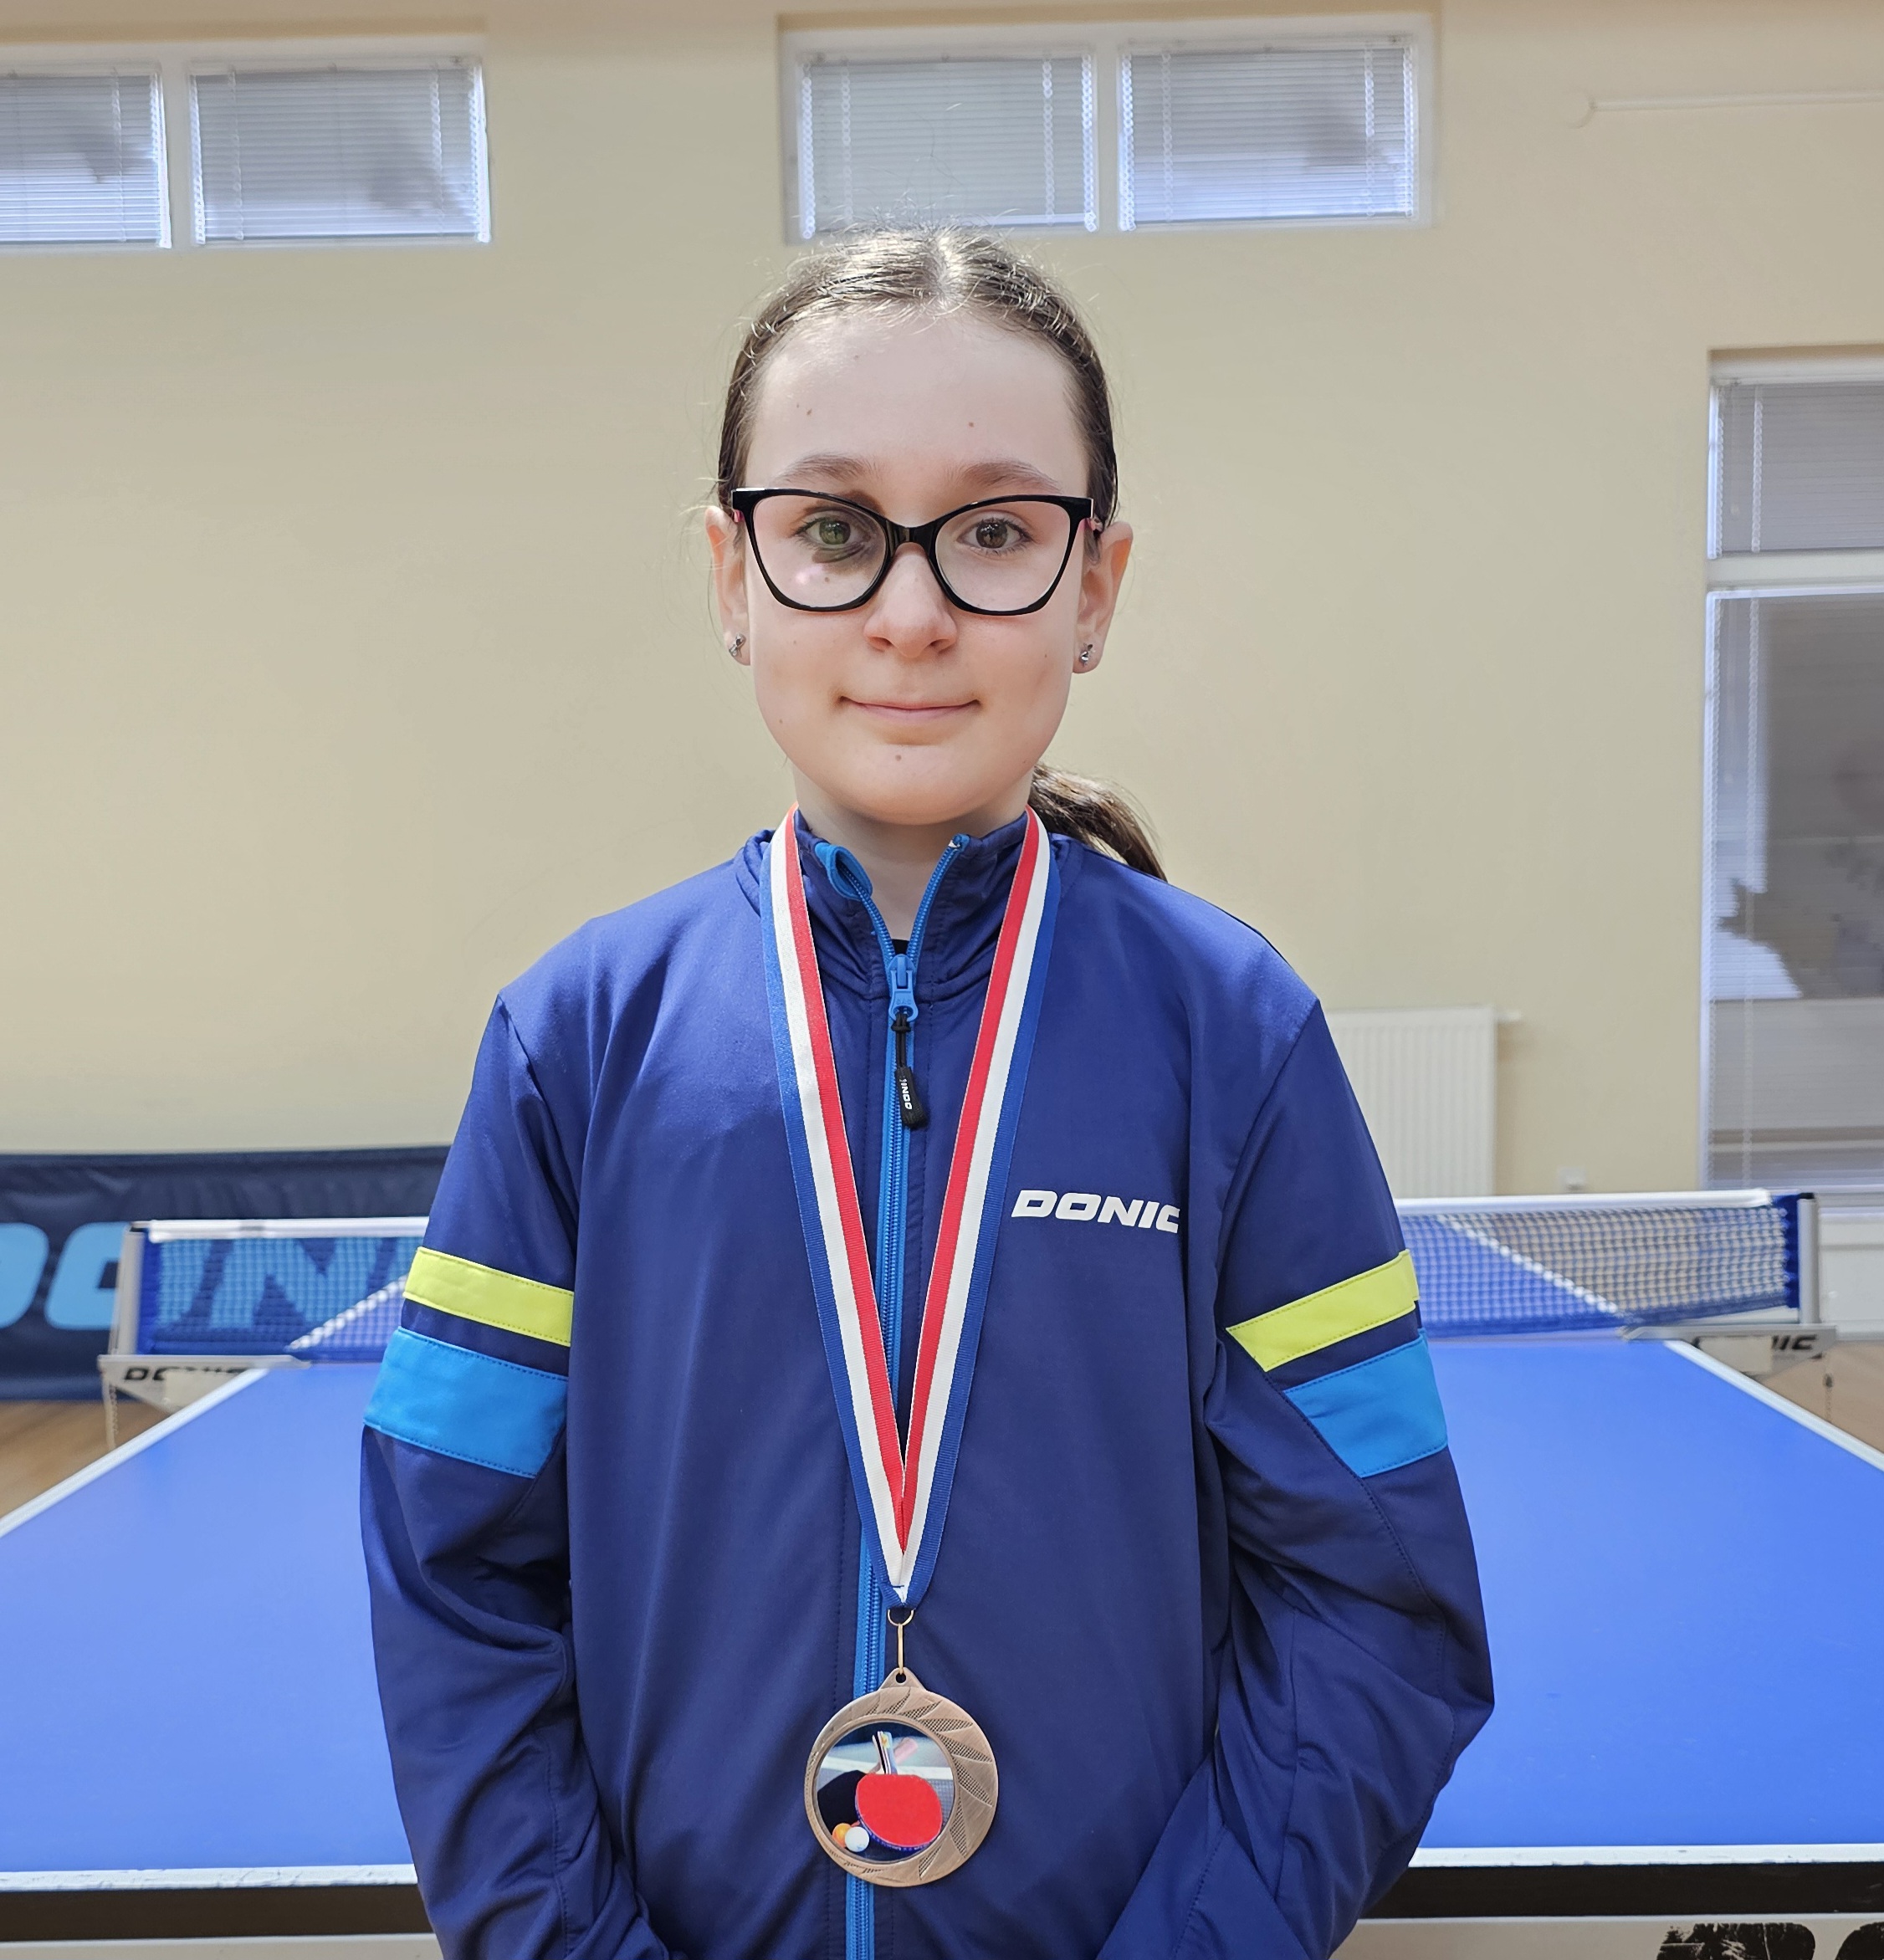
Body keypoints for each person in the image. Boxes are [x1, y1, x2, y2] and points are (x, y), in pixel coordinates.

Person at [361, 228, 1492, 1960]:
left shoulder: (1232, 1034)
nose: (910, 612)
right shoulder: (574, 1041)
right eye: (832, 530)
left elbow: (1377, 1602)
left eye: (995, 532)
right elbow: (453, 1577)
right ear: (731, 577)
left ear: (1095, 585)